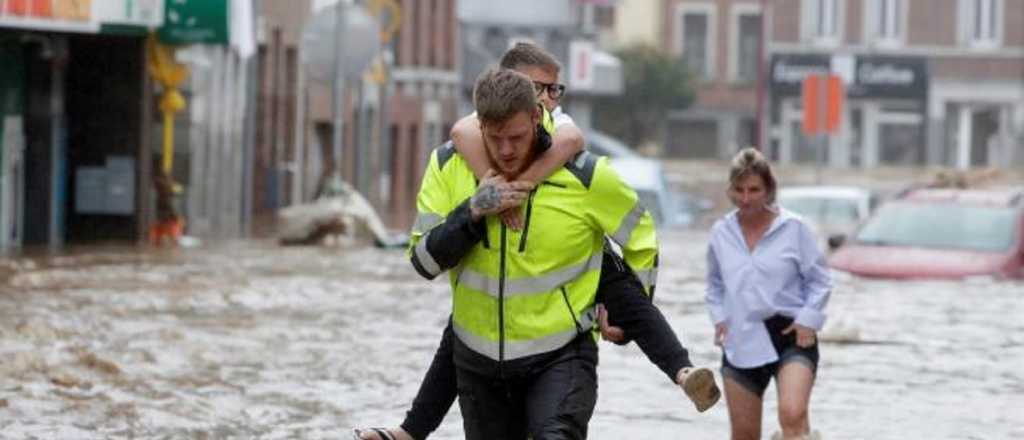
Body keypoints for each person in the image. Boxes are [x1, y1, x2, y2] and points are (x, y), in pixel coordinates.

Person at [354, 44, 718, 440]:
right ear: (481, 127)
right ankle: (412, 429)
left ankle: (680, 369)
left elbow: (641, 237)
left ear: (537, 115)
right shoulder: (449, 162)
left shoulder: (583, 172)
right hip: (478, 360)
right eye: (496, 139)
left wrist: (629, 306)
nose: (507, 150)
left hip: (561, 354)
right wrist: (473, 210)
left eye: (516, 137)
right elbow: (423, 263)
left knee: (616, 295)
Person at [705, 148, 832, 440]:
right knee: (744, 435)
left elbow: (821, 280)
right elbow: (714, 285)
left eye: (754, 190)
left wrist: (808, 320)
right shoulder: (721, 232)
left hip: (790, 334)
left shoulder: (794, 228)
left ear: (769, 190)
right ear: (730, 190)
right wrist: (719, 318)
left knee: (792, 414)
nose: (746, 198)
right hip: (741, 338)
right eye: (739, 190)